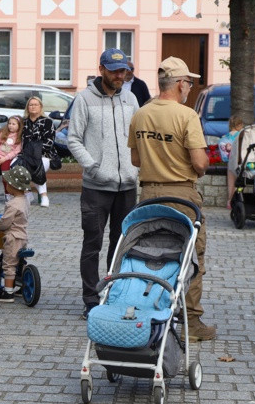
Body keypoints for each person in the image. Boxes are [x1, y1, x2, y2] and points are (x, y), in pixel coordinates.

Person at [128, 56, 215, 340]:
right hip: (182, 195)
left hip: (149, 194)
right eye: (188, 82)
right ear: (179, 84)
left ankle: (145, 310)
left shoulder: (141, 113)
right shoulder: (186, 115)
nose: (189, 87)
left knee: (150, 254)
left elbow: (135, 158)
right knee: (190, 257)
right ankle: (191, 323)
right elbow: (200, 163)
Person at [68, 48, 139, 318]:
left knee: (120, 244)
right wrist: (92, 166)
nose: (120, 75)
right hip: (96, 187)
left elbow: (138, 137)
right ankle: (90, 299)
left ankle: (113, 294)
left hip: (127, 186)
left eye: (123, 71)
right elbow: (73, 138)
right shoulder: (85, 99)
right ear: (102, 70)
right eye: (114, 70)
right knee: (92, 244)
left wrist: (136, 168)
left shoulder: (131, 99)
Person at [0, 165, 31, 303]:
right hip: (23, 237)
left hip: (13, 238)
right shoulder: (25, 201)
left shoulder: (12, 204)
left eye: (8, 183)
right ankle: (21, 285)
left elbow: (6, 222)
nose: (6, 185)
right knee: (19, 262)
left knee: (9, 264)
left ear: (13, 186)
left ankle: (8, 293)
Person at [22, 96, 57, 208]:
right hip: (25, 155)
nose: (33, 107)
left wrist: (34, 152)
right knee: (14, 164)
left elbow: (49, 142)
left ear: (40, 107)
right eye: (30, 104)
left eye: (35, 104)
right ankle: (27, 193)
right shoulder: (23, 122)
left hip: (44, 154)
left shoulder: (47, 122)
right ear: (27, 107)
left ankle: (43, 195)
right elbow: (18, 140)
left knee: (37, 166)